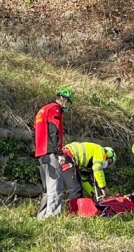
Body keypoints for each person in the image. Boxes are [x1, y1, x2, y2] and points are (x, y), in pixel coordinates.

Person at [34, 87, 74, 219]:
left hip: (41, 152)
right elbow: (54, 129)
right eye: (67, 102)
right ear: (63, 99)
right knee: (56, 185)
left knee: (47, 188)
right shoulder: (55, 109)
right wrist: (58, 153)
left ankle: (41, 217)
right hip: (50, 151)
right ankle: (52, 218)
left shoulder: (42, 110)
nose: (67, 105)